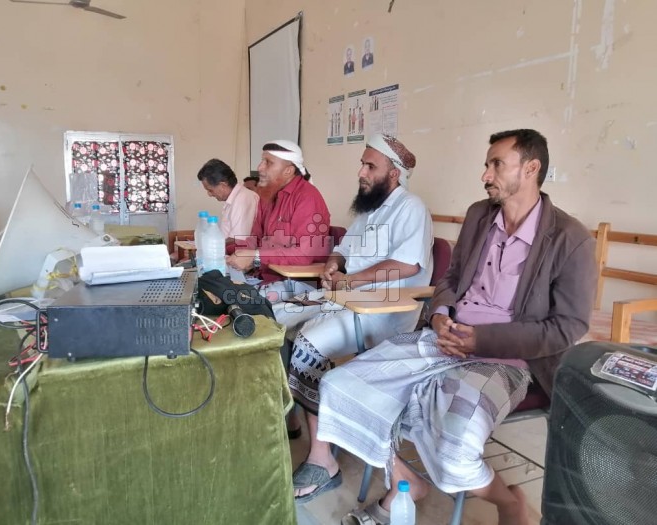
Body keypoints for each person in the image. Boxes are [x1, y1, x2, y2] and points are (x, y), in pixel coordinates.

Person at [315, 129, 597, 525]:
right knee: (340, 386)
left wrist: (481, 339)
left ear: (531, 168)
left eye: (496, 164)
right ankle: (406, 481)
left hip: (507, 358)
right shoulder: (481, 215)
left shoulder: (569, 238)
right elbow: (451, 279)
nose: (485, 175)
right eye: (486, 164)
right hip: (444, 337)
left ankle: (508, 502)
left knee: (455, 443)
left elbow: (567, 327)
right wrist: (441, 315)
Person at [288, 134, 434, 504]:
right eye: (362, 164)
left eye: (370, 166)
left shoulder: (411, 208)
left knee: (308, 345)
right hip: (347, 298)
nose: (361, 172)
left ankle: (322, 460)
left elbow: (407, 265)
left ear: (394, 173)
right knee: (281, 323)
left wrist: (351, 280)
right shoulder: (369, 210)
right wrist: (332, 265)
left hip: (384, 311)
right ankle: (297, 418)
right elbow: (342, 249)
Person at [227, 140, 331, 284]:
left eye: (268, 163)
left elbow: (303, 255)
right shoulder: (267, 196)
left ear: (288, 171)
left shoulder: (307, 198)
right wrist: (226, 251)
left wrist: (255, 257)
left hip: (296, 282)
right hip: (263, 276)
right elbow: (255, 240)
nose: (260, 167)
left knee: (231, 296)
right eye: (262, 161)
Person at [196, 159, 259, 242]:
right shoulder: (234, 198)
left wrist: (211, 245)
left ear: (223, 185)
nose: (209, 194)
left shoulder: (242, 199)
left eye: (210, 190)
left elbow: (238, 240)